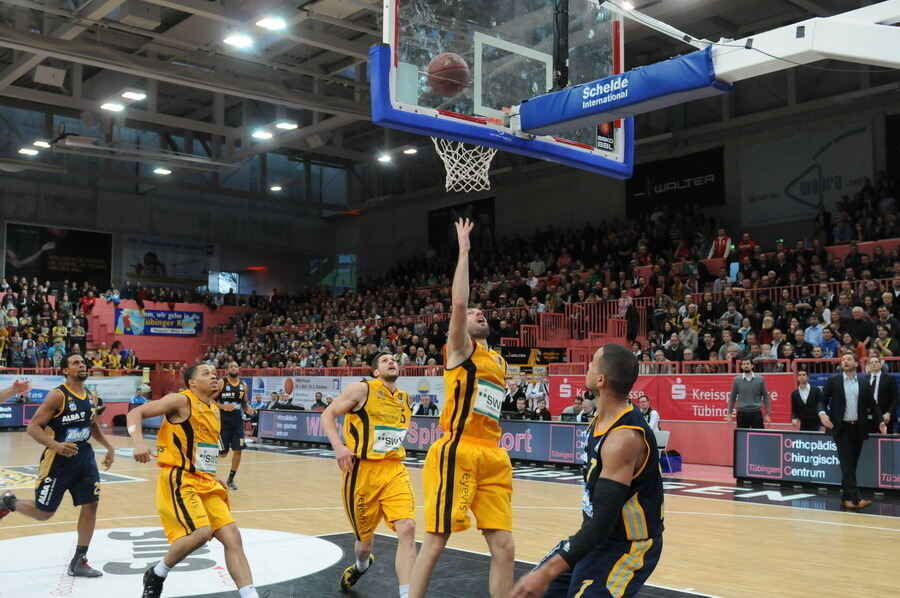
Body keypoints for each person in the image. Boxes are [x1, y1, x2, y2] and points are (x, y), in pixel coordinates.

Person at [409, 219, 515, 598]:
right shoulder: (459, 351)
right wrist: (465, 250)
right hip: (459, 448)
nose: (478, 313)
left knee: (505, 546)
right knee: (437, 539)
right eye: (474, 313)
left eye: (482, 312)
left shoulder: (500, 362)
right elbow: (458, 302)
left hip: (493, 455)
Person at [508, 344, 664, 598]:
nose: (587, 367)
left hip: (626, 546)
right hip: (594, 536)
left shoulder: (622, 438)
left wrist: (548, 572)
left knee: (545, 581)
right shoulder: (603, 416)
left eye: (591, 363)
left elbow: (603, 521)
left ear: (601, 380)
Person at [127, 364, 267, 598]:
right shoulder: (181, 400)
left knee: (232, 535)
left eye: (214, 373)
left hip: (205, 479)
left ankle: (250, 595)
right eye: (206, 373)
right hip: (181, 478)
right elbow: (135, 413)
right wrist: (139, 442)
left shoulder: (213, 408)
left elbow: (204, 450)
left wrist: (213, 475)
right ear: (192, 382)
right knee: (201, 533)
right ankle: (157, 573)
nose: (213, 376)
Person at [0, 354, 115, 577]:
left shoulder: (91, 395)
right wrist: (56, 445)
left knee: (91, 504)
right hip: (58, 462)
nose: (81, 365)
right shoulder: (57, 396)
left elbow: (91, 425)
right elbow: (33, 427)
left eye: (83, 362)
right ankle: (8, 501)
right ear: (65, 371)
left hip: (84, 458)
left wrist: (109, 447)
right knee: (44, 513)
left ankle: (79, 560)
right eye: (75, 363)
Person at [320, 352, 416, 597]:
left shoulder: (406, 398)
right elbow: (327, 414)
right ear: (375, 371)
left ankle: (408, 594)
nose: (391, 361)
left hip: (394, 469)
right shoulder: (361, 390)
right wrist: (339, 446)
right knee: (364, 545)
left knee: (407, 528)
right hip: (362, 472)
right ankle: (362, 565)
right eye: (384, 360)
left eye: (394, 359)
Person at [817, 353, 886, 509]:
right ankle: (855, 499)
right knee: (847, 464)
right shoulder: (833, 381)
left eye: (849, 359)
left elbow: (873, 404)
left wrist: (880, 421)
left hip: (858, 427)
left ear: (856, 363)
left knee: (851, 464)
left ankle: (845, 498)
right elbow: (821, 400)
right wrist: (822, 414)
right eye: (843, 359)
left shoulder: (863, 382)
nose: (845, 361)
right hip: (841, 428)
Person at [212, 361, 254, 490]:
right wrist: (223, 406)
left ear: (239, 369)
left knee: (238, 450)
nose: (234, 368)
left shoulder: (243, 385)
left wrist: (248, 408)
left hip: (237, 421)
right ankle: (206, 472)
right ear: (227, 370)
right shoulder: (221, 383)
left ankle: (230, 479)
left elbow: (244, 403)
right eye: (231, 366)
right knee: (223, 454)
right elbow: (210, 399)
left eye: (236, 366)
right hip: (223, 422)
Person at [726, 359, 771, 429]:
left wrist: (768, 413)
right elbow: (732, 397)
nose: (746, 365)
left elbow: (765, 396)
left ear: (752, 365)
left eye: (747, 363)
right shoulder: (737, 380)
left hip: (756, 413)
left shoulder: (760, 379)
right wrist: (729, 413)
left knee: (758, 437)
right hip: (741, 413)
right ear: (741, 366)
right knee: (742, 437)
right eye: (744, 364)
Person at [865, 355, 897, 434]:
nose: (874, 364)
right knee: (869, 441)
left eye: (876, 362)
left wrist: (889, 413)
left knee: (886, 442)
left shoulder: (889, 378)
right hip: (868, 415)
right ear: (868, 365)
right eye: (871, 362)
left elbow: (896, 399)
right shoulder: (864, 379)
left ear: (880, 364)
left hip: (885, 415)